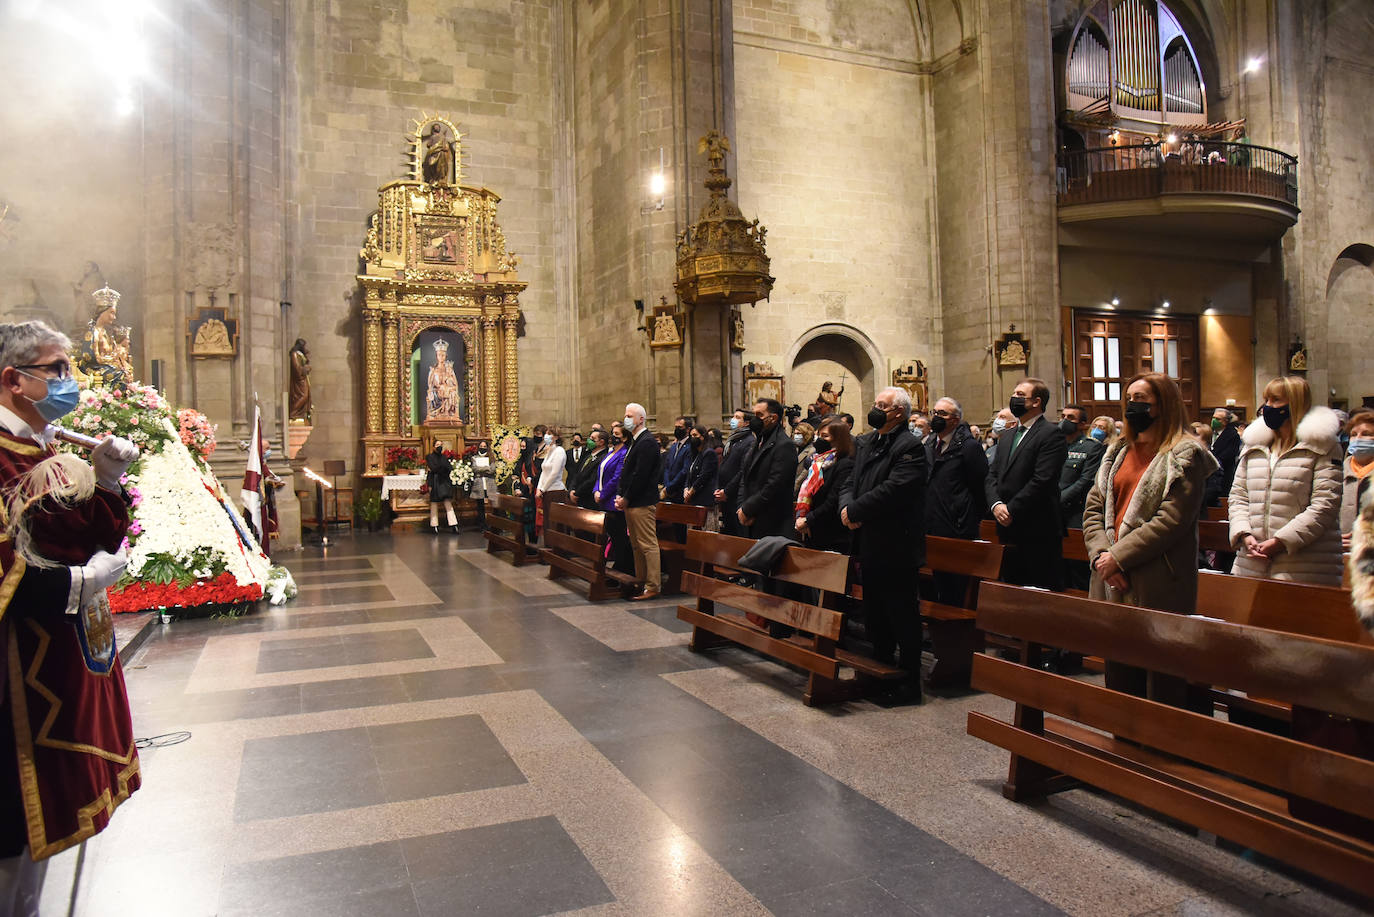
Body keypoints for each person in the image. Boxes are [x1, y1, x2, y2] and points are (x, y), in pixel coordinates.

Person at [1, 322, 141, 914]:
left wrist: (107, 480)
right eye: (56, 369)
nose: (68, 381)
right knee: (14, 832)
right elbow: (13, 564)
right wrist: (82, 582)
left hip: (56, 660)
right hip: (17, 673)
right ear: (14, 380)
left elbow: (82, 531)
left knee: (34, 854)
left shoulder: (41, 446)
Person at [1083, 372, 1218, 712]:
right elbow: (1094, 507)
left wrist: (1118, 558)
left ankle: (1164, 754)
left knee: (1161, 673)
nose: (1133, 406)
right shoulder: (1117, 450)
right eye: (1130, 399)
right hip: (1110, 573)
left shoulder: (1185, 454)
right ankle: (1125, 745)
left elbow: (1172, 520)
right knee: (1119, 669)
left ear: (1165, 404)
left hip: (1158, 575)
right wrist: (1103, 556)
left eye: (1142, 399)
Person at [840, 387, 928, 706]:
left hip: (897, 544)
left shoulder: (911, 446)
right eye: (876, 404)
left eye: (883, 406)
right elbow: (850, 481)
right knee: (875, 613)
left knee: (901, 614)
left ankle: (908, 680)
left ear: (899, 413)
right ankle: (880, 671)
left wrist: (856, 511)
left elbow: (894, 490)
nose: (876, 409)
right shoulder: (866, 441)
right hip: (868, 541)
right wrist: (845, 508)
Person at [1229, 377, 1344, 585]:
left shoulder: (1323, 445)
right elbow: (1238, 496)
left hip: (1305, 565)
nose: (1267, 406)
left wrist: (1280, 542)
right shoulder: (1254, 446)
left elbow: (1325, 505)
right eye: (1266, 400)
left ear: (1295, 402)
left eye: (1276, 400)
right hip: (1251, 561)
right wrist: (1244, 534)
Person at [985, 378, 1069, 590]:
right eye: (1014, 394)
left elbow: (1042, 480)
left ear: (1036, 402)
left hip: (1038, 528)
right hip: (1007, 527)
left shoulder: (1051, 434)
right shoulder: (1008, 436)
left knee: (1038, 594)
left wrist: (1011, 509)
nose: (1014, 398)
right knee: (1010, 591)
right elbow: (992, 475)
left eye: (1021, 395)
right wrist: (996, 505)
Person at [924, 397, 988, 603]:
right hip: (931, 521)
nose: (936, 417)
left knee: (956, 585)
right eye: (934, 413)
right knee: (935, 583)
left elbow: (979, 486)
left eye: (942, 414)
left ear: (956, 420)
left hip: (957, 525)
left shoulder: (969, 447)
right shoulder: (929, 444)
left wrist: (964, 514)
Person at [730, 398, 800, 538]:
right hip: (750, 518)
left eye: (759, 415)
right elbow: (746, 476)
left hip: (772, 522)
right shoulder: (759, 441)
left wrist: (748, 508)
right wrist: (742, 507)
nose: (755, 419)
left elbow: (774, 485)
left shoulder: (784, 445)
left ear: (773, 418)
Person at [616, 403, 663, 599]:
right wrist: (621, 495)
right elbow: (627, 472)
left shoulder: (647, 442)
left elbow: (640, 475)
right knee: (636, 544)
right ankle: (641, 580)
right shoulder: (636, 440)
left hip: (641, 501)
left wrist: (626, 497)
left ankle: (653, 586)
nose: (625, 418)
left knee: (647, 544)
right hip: (632, 501)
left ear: (641, 419)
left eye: (629, 416)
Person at [795, 417, 854, 554]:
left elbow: (833, 500)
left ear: (839, 439)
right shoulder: (818, 462)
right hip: (813, 528)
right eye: (818, 435)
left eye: (825, 436)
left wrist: (808, 520)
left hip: (832, 532)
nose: (819, 440)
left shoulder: (845, 464)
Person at [595, 428, 633, 574]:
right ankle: (616, 566)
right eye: (613, 433)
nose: (613, 436)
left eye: (617, 434)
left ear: (624, 438)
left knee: (619, 537)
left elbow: (617, 478)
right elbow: (600, 474)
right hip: (603, 499)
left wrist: (603, 494)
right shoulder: (610, 453)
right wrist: (596, 491)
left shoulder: (624, 454)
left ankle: (622, 568)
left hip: (613, 501)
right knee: (612, 535)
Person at [715, 408, 753, 536]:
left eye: (737, 417)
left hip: (736, 495)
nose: (733, 420)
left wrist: (727, 491)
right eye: (733, 416)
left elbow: (742, 470)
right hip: (726, 495)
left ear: (747, 423)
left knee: (738, 534)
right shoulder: (734, 440)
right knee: (728, 532)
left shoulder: (749, 442)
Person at [1341, 410, 1374, 550]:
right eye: (1353, 435)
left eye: (1366, 434)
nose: (1358, 439)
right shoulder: (1335, 472)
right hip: (1339, 555)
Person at [682, 424, 720, 527]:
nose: (692, 438)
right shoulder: (695, 454)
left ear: (703, 436)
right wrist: (686, 488)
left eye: (695, 435)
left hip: (705, 498)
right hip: (694, 498)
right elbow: (689, 474)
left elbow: (704, 476)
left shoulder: (709, 453)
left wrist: (690, 491)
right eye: (691, 436)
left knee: (706, 532)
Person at [1204, 407, 1242, 508]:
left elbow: (1228, 456)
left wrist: (1211, 459)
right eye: (1213, 418)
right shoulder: (1210, 433)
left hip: (1223, 476)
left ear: (1225, 421)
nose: (1214, 421)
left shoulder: (1233, 435)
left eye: (1218, 419)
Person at [535, 429, 569, 535]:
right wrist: (539, 489)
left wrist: (543, 489)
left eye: (549, 434)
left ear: (556, 437)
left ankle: (558, 548)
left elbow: (554, 473)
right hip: (546, 491)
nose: (546, 436)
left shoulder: (559, 451)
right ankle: (549, 545)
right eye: (545, 433)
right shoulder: (549, 451)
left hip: (555, 491)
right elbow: (544, 471)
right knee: (547, 522)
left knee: (555, 523)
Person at [425, 443, 457, 533]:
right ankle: (434, 525)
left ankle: (454, 524)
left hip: (444, 482)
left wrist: (439, 469)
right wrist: (441, 468)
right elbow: (433, 468)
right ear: (433, 446)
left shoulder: (444, 456)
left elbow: (449, 468)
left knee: (448, 503)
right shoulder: (429, 456)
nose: (439, 446)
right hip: (434, 481)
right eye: (437, 445)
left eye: (440, 444)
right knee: (434, 503)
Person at [662, 416, 692, 503]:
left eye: (680, 427)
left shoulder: (690, 446)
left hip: (680, 491)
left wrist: (671, 487)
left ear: (688, 429)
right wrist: (667, 486)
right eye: (675, 427)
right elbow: (667, 467)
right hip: (668, 491)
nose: (677, 429)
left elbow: (684, 471)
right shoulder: (674, 446)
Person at [469, 439, 496, 528]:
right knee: (480, 506)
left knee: (493, 505)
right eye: (481, 446)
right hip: (479, 484)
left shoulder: (491, 457)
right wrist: (486, 468)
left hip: (489, 483)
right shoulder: (474, 458)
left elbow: (492, 470)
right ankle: (482, 524)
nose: (483, 448)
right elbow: (475, 469)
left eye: (484, 447)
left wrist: (482, 468)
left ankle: (494, 524)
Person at [792, 421, 816, 495]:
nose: (796, 436)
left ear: (806, 435)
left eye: (798, 434)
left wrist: (794, 488)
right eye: (795, 433)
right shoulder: (794, 447)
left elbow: (805, 473)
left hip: (799, 488)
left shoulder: (812, 450)